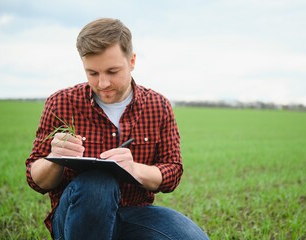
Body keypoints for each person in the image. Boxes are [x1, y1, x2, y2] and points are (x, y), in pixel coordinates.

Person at [25, 18, 209, 240]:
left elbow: (172, 172)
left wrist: (133, 168)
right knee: (98, 183)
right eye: (92, 73)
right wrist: (55, 157)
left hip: (135, 214)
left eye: (112, 71)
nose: (103, 83)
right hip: (76, 219)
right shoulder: (61, 103)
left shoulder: (158, 105)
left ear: (132, 61)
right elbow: (36, 180)